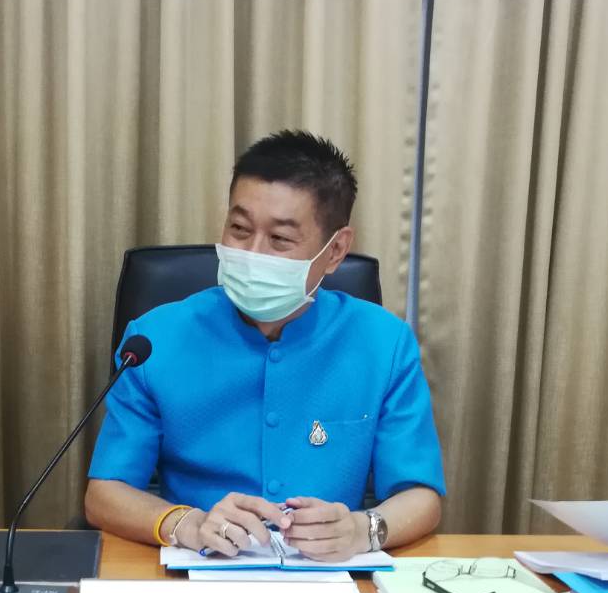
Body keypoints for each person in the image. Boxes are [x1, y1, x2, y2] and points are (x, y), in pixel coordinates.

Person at [84, 130, 445, 561]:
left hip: (329, 578)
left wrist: (361, 530)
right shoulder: (154, 339)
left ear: (335, 251)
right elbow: (104, 494)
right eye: (239, 229)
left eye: (280, 239)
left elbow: (421, 496)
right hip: (198, 573)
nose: (252, 253)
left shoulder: (384, 343)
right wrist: (186, 523)